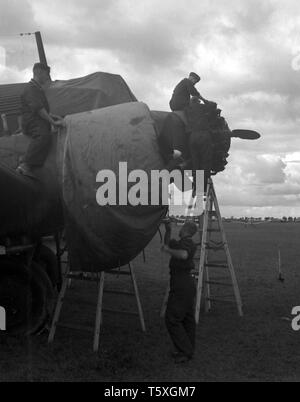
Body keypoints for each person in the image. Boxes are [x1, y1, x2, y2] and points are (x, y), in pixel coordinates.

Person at [17, 62, 65, 176]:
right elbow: (38, 109)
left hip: (37, 119)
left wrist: (54, 116)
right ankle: (25, 164)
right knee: (43, 136)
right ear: (38, 72)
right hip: (31, 121)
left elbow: (43, 110)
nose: (47, 77)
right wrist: (52, 122)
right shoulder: (31, 89)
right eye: (46, 74)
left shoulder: (37, 89)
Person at [161, 219, 198, 364]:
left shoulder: (187, 242)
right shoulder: (182, 242)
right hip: (186, 285)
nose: (180, 229)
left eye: (182, 227)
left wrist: (167, 251)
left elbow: (183, 255)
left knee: (172, 318)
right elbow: (168, 243)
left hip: (182, 285)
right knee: (187, 319)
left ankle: (185, 351)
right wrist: (168, 230)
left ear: (187, 230)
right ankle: (188, 349)